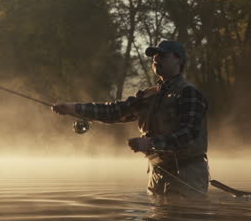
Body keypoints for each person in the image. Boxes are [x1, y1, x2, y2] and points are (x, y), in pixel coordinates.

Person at [52, 40, 210, 197]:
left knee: (185, 220)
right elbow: (114, 112)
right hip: (157, 173)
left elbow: (189, 133)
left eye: (162, 55)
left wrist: (151, 143)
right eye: (154, 55)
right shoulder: (149, 94)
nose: (156, 58)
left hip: (188, 174)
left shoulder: (189, 93)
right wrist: (73, 108)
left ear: (179, 60)